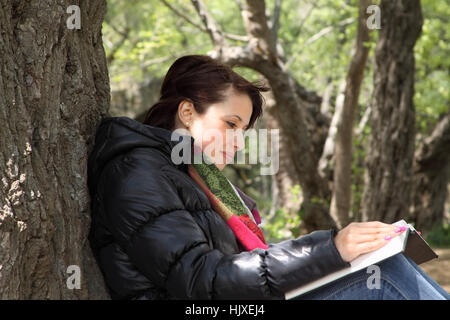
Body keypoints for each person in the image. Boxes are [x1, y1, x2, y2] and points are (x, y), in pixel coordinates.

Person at [87, 54, 449, 300]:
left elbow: (248, 264)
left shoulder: (205, 182)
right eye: (230, 124)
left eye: (243, 130)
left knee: (381, 263)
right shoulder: (136, 171)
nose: (238, 141)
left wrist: (340, 250)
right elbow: (202, 279)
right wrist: (329, 249)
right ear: (186, 112)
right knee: (382, 279)